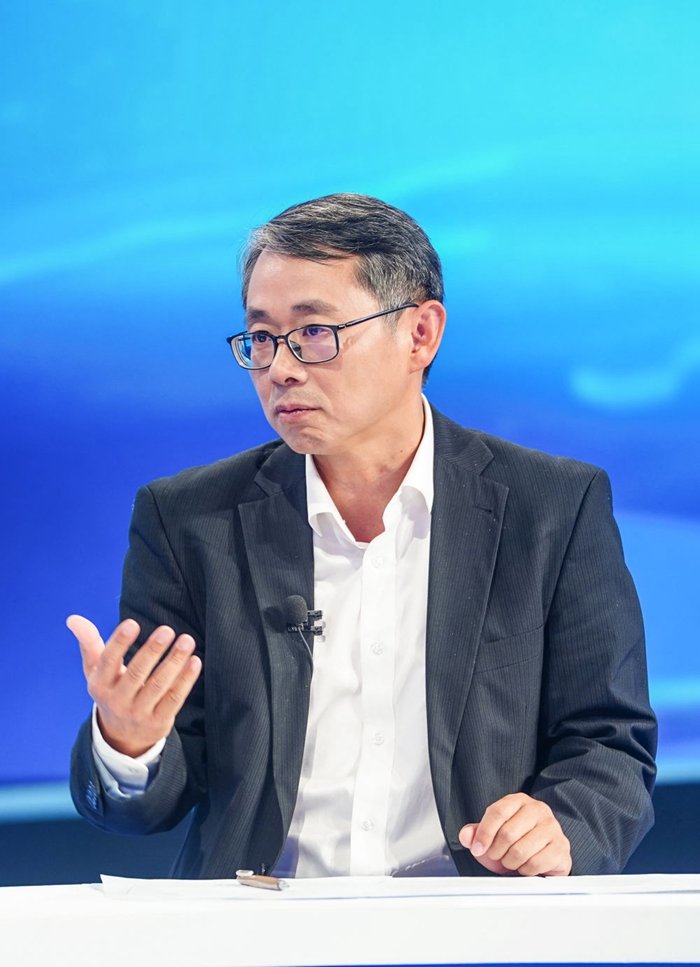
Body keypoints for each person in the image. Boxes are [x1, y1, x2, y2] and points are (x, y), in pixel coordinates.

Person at [69, 193, 657, 879]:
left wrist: (561, 826)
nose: (280, 368)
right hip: (261, 922)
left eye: (314, 331)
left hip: (476, 918)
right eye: (261, 338)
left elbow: (610, 744)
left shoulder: (551, 507)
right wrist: (129, 742)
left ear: (420, 334)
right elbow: (153, 800)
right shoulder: (188, 520)